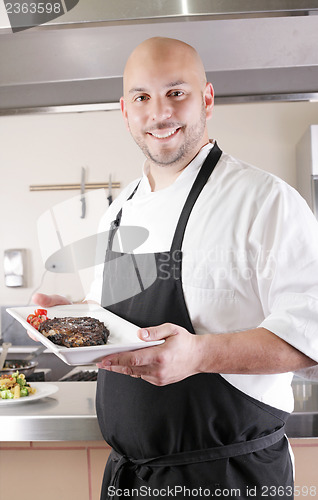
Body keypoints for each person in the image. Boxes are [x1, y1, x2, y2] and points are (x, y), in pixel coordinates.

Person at [34, 37, 318, 499]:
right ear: (125, 110)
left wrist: (199, 355)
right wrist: (76, 318)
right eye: (142, 97)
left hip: (231, 477)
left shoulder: (263, 201)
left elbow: (312, 335)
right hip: (133, 478)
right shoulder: (119, 211)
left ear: (207, 98)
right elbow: (115, 317)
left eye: (176, 93)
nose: (159, 113)